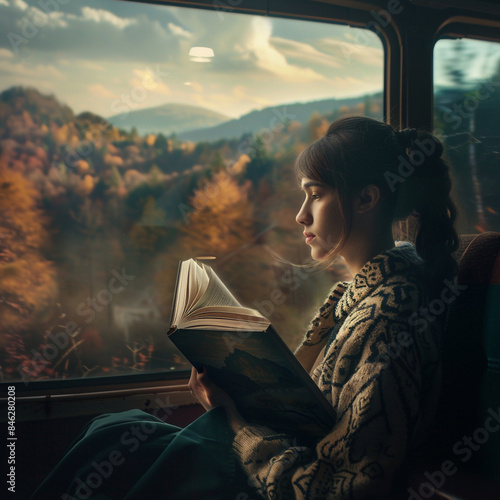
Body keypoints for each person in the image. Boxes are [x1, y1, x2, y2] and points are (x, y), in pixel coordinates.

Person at [33, 116, 458, 500]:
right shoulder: (364, 297)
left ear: (366, 199)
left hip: (270, 477)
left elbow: (341, 487)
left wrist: (236, 421)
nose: (299, 216)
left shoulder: (387, 316)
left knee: (111, 453)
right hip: (269, 456)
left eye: (316, 195)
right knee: (112, 430)